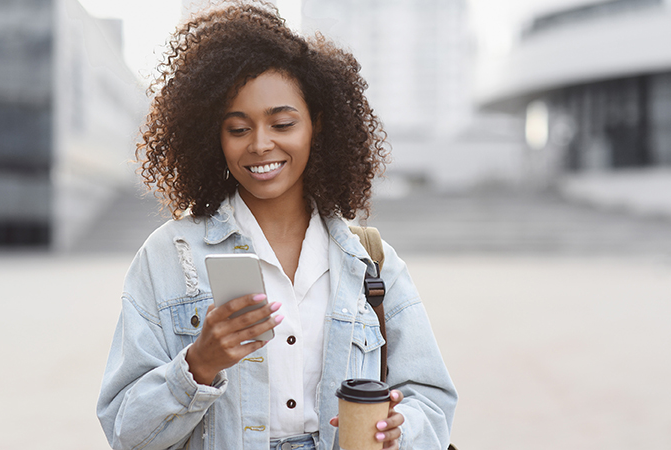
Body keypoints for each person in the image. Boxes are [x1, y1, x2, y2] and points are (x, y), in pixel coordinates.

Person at [96, 2, 457, 449]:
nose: (261, 144)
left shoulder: (370, 262)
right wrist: (198, 365)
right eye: (237, 128)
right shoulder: (170, 256)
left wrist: (399, 430)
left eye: (282, 123)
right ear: (214, 136)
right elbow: (124, 431)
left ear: (317, 126)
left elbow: (433, 403)